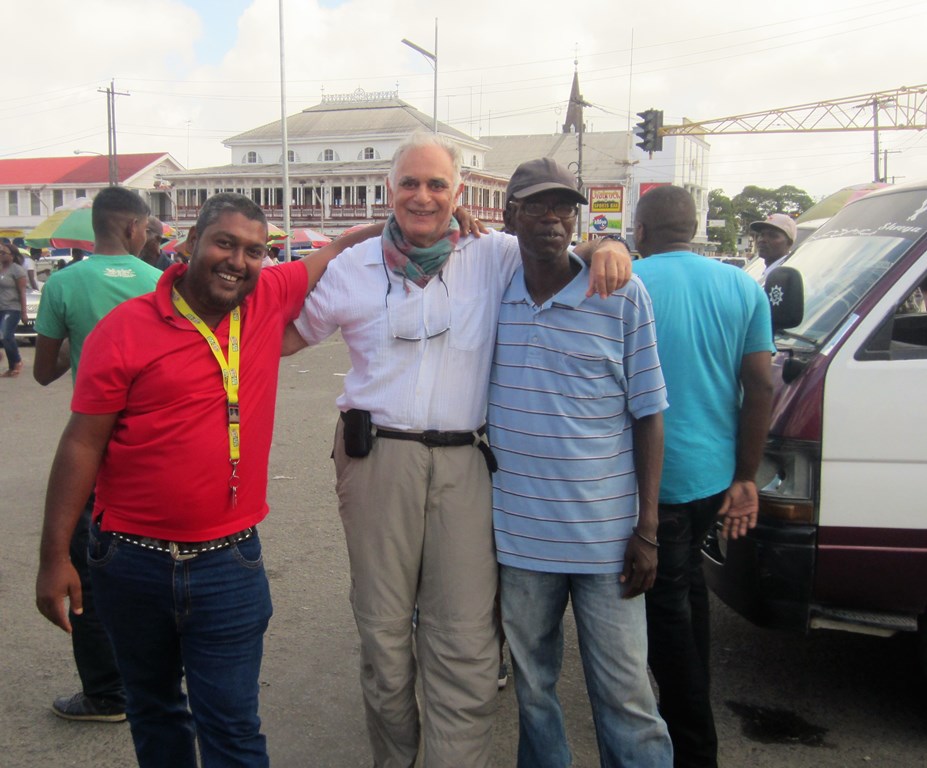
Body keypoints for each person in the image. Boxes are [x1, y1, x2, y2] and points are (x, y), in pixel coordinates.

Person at [285, 133, 629, 768]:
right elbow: (281, 338)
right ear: (388, 191)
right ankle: (398, 759)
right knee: (384, 636)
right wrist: (335, 244)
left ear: (459, 194)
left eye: (437, 185)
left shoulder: (492, 254)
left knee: (466, 640)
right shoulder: (351, 269)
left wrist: (608, 243)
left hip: (467, 465)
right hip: (375, 461)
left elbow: (556, 245)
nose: (423, 197)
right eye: (410, 184)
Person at [35, 192, 371, 767]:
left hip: (227, 564)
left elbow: (338, 248)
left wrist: (431, 218)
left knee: (232, 728)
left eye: (254, 251)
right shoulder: (125, 329)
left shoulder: (266, 295)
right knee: (155, 712)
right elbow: (82, 442)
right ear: (189, 245)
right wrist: (53, 558)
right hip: (130, 563)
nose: (238, 260)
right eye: (224, 243)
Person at [488, 158, 673, 768]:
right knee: (535, 693)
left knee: (626, 697)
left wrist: (647, 531)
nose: (552, 218)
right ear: (510, 212)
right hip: (520, 543)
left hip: (607, 540)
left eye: (565, 206)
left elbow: (650, 412)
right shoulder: (491, 292)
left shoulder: (621, 293)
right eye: (537, 205)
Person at [633, 185, 774, 768]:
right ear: (694, 227)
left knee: (665, 623)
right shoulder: (743, 286)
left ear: (640, 231)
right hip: (713, 479)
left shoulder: (630, 284)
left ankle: (693, 749)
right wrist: (746, 477)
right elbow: (762, 386)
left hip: (651, 484)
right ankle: (686, 720)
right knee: (688, 591)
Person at [33, 186, 162, 722]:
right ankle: (159, 677)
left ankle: (106, 692)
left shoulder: (63, 283)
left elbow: (43, 370)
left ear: (98, 226)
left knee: (89, 564)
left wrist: (77, 337)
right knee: (157, 555)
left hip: (95, 437)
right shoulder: (160, 283)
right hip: (155, 437)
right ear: (134, 227)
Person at [0, 240, 28, 377]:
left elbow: (22, 292)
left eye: (3, 253)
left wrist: (24, 312)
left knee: (6, 335)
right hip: (0, 307)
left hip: (12, 308)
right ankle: (11, 367)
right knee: (4, 336)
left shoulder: (17, 270)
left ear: (11, 255)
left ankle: (16, 362)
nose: (0, 255)